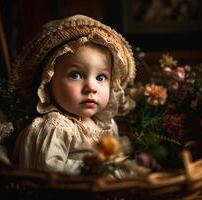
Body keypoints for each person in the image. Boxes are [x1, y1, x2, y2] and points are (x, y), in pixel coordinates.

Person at [12, 15, 136, 175]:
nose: (91, 87)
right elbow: (46, 177)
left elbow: (119, 165)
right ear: (48, 80)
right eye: (75, 75)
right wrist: (93, 169)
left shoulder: (107, 124)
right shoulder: (55, 128)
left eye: (101, 77)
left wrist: (134, 168)